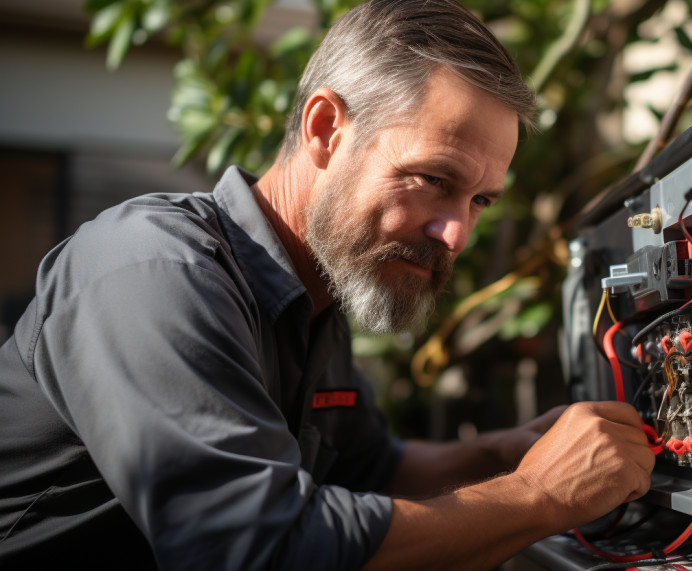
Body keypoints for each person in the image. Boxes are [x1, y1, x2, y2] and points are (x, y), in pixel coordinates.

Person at [0, 1, 655, 569]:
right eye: (433, 179)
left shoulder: (321, 291)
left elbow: (372, 467)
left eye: (481, 200)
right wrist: (540, 493)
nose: (456, 233)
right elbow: (256, 550)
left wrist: (511, 450)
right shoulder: (154, 269)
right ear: (325, 130)